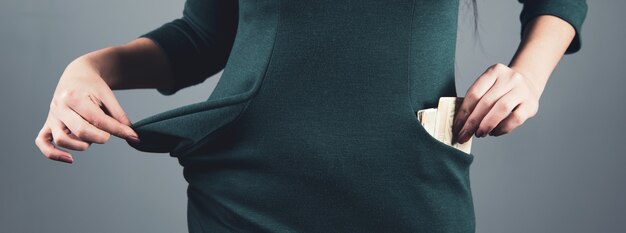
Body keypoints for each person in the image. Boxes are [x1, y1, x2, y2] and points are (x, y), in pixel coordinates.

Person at [35, 0, 587, 232]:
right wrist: (89, 67)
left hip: (408, 193)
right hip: (244, 199)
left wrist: (528, 76)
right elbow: (202, 37)